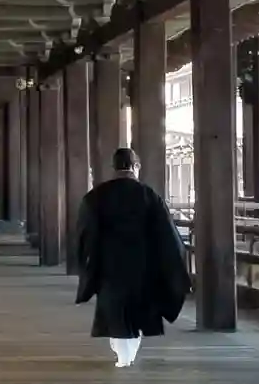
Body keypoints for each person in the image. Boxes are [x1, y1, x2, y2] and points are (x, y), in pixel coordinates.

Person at [74, 147, 191, 368]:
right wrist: (174, 270)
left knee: (115, 313)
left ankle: (122, 355)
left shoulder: (96, 197)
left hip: (109, 266)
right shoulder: (149, 196)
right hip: (142, 266)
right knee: (137, 312)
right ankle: (128, 355)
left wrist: (85, 265)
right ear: (136, 167)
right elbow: (168, 236)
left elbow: (84, 234)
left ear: (114, 167)